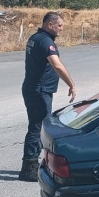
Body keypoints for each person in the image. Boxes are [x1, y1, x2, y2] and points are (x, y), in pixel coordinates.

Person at [20, 11, 76, 182]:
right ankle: (29, 168)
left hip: (34, 88)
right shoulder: (45, 41)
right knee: (37, 128)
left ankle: (33, 163)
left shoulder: (35, 38)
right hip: (39, 90)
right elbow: (57, 65)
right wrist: (71, 84)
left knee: (36, 126)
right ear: (50, 25)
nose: (61, 29)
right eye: (59, 26)